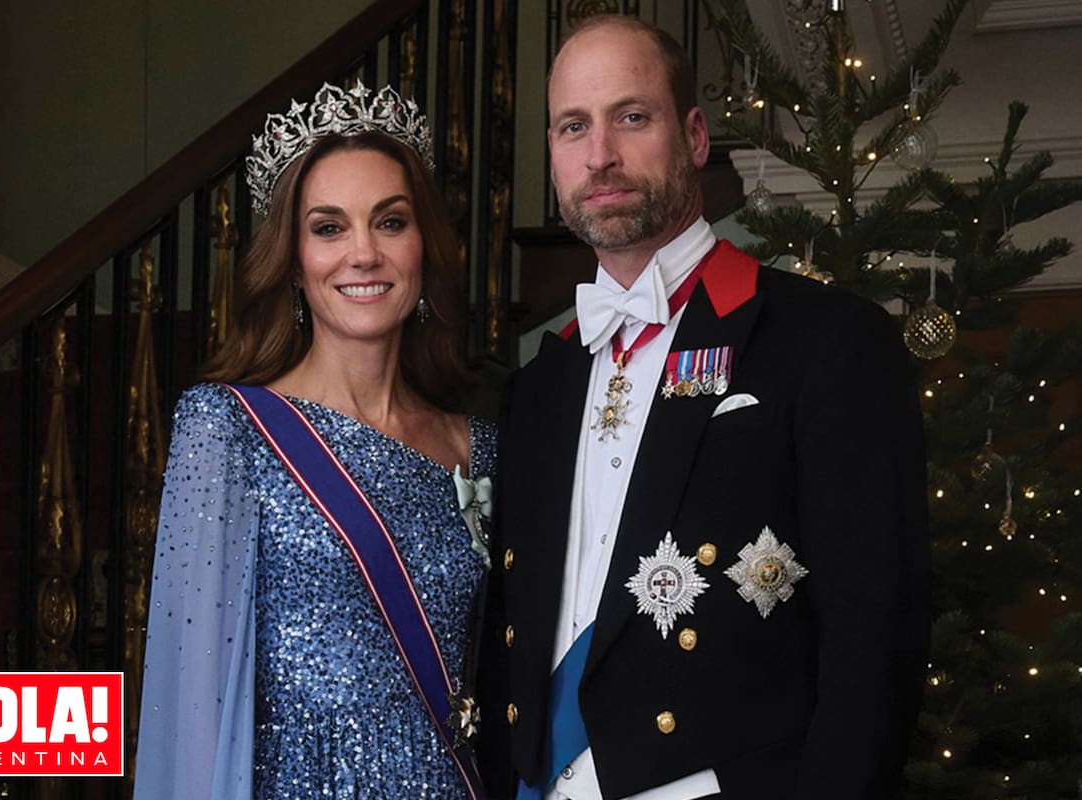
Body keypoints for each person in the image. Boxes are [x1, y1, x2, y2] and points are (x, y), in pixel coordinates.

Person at [478, 15, 929, 800]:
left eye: (632, 117)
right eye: (572, 127)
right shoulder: (537, 387)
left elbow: (873, 646)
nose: (601, 156)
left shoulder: (823, 342)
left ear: (693, 136)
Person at [135, 82, 494, 800]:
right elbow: (191, 699)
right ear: (295, 263)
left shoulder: (480, 447)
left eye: (389, 222)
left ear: (422, 247)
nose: (362, 253)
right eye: (329, 228)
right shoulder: (227, 429)